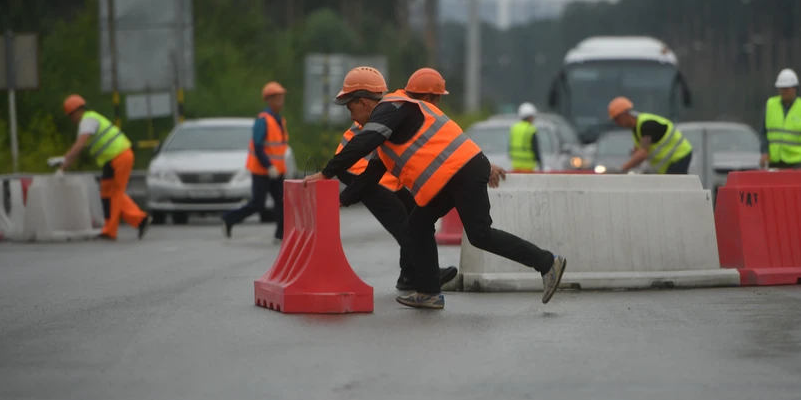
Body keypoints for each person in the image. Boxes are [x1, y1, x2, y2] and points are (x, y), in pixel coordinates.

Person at [303, 66, 567, 310]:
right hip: (452, 176)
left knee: (480, 234)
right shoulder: (386, 134)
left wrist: (326, 173)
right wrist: (340, 201)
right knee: (417, 223)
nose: (351, 117)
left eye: (351, 109)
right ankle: (428, 291)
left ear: (363, 102)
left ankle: (547, 263)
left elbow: (364, 141)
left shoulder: (392, 107)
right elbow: (369, 177)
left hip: (463, 171)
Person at [335, 116, 459, 291]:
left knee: (415, 214)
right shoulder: (405, 114)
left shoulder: (404, 111)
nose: (435, 103)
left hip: (377, 174)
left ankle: (409, 275)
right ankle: (427, 274)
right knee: (404, 222)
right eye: (434, 98)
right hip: (360, 172)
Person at [53, 95, 151, 241]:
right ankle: (140, 220)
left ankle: (110, 231)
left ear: (77, 111)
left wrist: (64, 162)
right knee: (107, 193)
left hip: (120, 156)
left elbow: (79, 145)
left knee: (115, 194)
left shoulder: (88, 121)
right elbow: (79, 148)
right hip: (111, 159)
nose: (71, 119)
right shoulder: (88, 121)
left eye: (70, 115)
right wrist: (63, 164)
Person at [222, 82, 288, 244]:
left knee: (283, 203)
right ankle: (229, 218)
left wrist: (276, 168)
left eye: (282, 98)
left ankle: (281, 235)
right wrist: (268, 166)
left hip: (277, 171)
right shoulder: (263, 121)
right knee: (258, 204)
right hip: (262, 170)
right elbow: (258, 147)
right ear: (269, 100)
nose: (281, 101)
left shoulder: (280, 120)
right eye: (278, 98)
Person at [607, 97, 693, 174]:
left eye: (616, 119)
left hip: (679, 155)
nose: (616, 123)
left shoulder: (646, 125)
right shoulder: (636, 129)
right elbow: (640, 151)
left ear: (625, 114)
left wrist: (621, 169)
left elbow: (643, 153)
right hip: (669, 162)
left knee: (674, 186)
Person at [759, 68, 801, 170]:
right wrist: (764, 152)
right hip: (775, 162)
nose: (783, 91)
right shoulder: (770, 105)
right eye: (781, 88)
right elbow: (763, 132)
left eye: (786, 88)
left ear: (794, 89)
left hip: (798, 163)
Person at [509, 102, 542, 171]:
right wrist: (540, 163)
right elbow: (535, 148)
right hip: (528, 167)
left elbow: (510, 147)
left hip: (515, 166)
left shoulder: (514, 128)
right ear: (530, 117)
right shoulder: (531, 129)